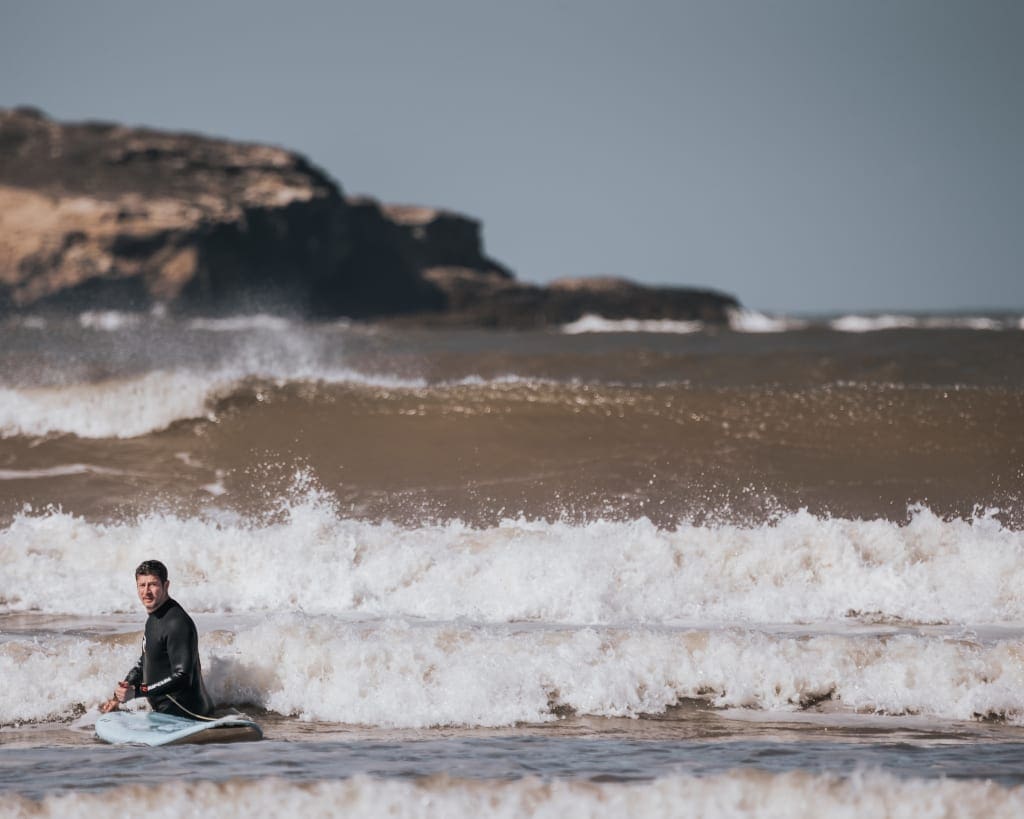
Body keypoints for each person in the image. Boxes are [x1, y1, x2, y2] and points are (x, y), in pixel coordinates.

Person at [100, 559, 215, 718]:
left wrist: (138, 692)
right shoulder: (154, 619)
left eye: (153, 584)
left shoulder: (177, 623)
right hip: (167, 713)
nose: (146, 591)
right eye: (142, 585)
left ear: (166, 585)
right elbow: (144, 662)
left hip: (188, 715)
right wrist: (118, 697)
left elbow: (182, 677)